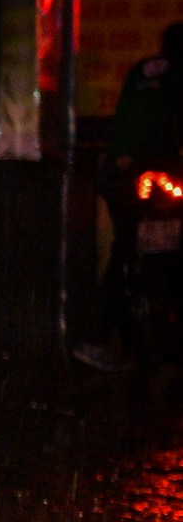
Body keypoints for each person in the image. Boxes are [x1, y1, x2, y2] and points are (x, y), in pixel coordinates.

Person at [75, 22, 183, 372]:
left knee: (125, 249)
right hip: (157, 173)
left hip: (118, 175)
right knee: (164, 251)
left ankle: (98, 339)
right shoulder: (180, 75)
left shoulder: (142, 69)